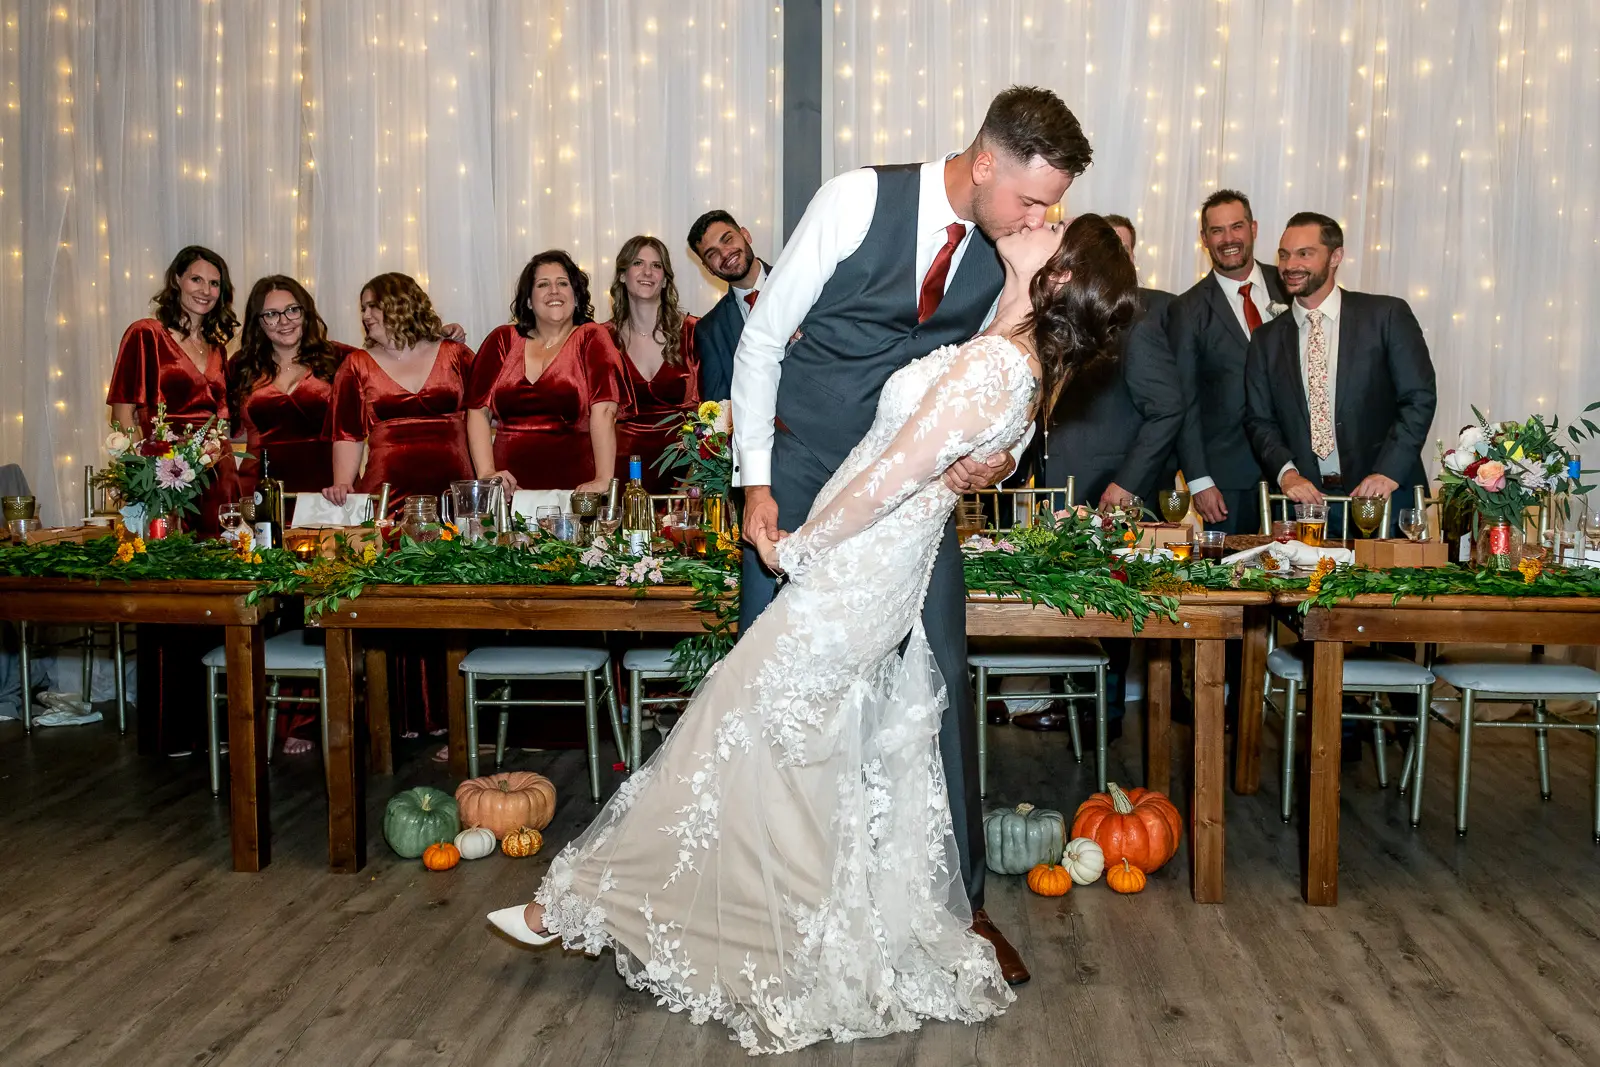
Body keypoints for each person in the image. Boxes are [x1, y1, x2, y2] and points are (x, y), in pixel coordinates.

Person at [490, 215, 1139, 1054]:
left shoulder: (996, 364)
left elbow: (886, 476)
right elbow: (979, 446)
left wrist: (801, 547)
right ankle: (721, 914)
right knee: (779, 742)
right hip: (875, 575)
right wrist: (978, 464)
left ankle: (589, 903)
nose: (1037, 218)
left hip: (852, 571)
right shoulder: (1007, 344)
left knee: (738, 724)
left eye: (1055, 228)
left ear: (1054, 276)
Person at [732, 85, 1093, 987]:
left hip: (914, 498)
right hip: (806, 477)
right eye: (1031, 197)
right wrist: (755, 482)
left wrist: (996, 466)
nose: (1042, 217)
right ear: (983, 163)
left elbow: (1000, 385)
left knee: (939, 680)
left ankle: (961, 904)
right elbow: (762, 339)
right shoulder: (858, 199)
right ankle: (760, 897)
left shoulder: (1009, 251)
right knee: (771, 691)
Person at [1010, 214, 1181, 737]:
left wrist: (1127, 484)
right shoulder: (1057, 316)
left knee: (1109, 613)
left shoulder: (1138, 322)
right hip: (1055, 491)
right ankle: (1074, 709)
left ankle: (1102, 720)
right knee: (1063, 610)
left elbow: (1168, 409)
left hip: (1111, 496)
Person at [1243, 212, 1436, 518]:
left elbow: (1418, 398)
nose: (1290, 265)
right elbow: (1259, 420)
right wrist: (1287, 474)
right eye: (1284, 255)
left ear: (1335, 257)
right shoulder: (1266, 339)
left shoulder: (1385, 316)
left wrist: (1388, 472)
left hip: (1384, 500)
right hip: (1303, 509)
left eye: (1304, 254)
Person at [1166, 189, 1290, 534]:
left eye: (1236, 227)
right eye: (1217, 231)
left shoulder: (1291, 287)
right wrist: (1199, 480)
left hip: (1298, 473)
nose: (1228, 239)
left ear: (1253, 228)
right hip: (1229, 480)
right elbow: (1184, 402)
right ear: (1204, 239)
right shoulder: (1186, 310)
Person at [106, 244, 242, 536]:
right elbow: (122, 413)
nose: (205, 290)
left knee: (220, 560)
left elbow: (222, 421)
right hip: (165, 472)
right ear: (177, 280)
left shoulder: (218, 348)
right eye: (196, 279)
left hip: (217, 472)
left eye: (214, 283)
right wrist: (141, 474)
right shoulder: (146, 334)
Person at [466, 251, 623, 493]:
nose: (554, 291)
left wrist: (603, 480)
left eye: (563, 283)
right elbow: (477, 412)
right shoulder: (501, 340)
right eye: (542, 284)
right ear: (528, 300)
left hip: (575, 491)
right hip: (508, 493)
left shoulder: (592, 337)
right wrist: (486, 472)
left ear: (576, 296)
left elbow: (604, 411)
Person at [323, 273, 476, 517]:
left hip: (455, 488)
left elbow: (482, 413)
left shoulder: (455, 354)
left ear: (402, 304)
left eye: (373, 306)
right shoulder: (356, 365)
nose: (365, 316)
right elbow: (347, 433)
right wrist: (343, 483)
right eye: (363, 309)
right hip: (388, 492)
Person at [229, 276, 358, 499]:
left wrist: (435, 338)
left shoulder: (341, 358)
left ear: (305, 311)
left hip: (331, 493)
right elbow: (221, 427)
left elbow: (392, 361)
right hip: (259, 493)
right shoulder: (240, 365)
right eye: (271, 315)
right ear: (258, 322)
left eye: (292, 310)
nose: (284, 321)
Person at [605, 235, 700, 490]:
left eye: (656, 266)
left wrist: (698, 474)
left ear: (665, 279)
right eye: (638, 263)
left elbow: (713, 408)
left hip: (684, 469)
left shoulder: (694, 332)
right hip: (619, 467)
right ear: (623, 275)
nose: (648, 272)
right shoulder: (602, 339)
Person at [687, 209, 769, 403]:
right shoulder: (709, 330)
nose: (725, 253)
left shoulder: (801, 285)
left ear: (745, 235)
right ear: (708, 269)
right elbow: (719, 406)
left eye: (728, 239)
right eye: (712, 253)